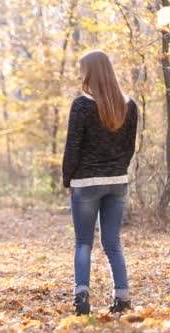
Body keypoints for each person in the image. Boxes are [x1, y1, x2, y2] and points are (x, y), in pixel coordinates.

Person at [62, 50, 138, 316]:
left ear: (92, 71)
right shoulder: (129, 105)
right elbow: (129, 148)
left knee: (83, 242)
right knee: (113, 243)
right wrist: (118, 172)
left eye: (82, 68)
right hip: (118, 182)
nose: (80, 74)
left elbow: (73, 147)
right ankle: (123, 298)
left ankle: (81, 299)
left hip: (86, 182)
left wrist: (67, 179)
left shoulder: (82, 105)